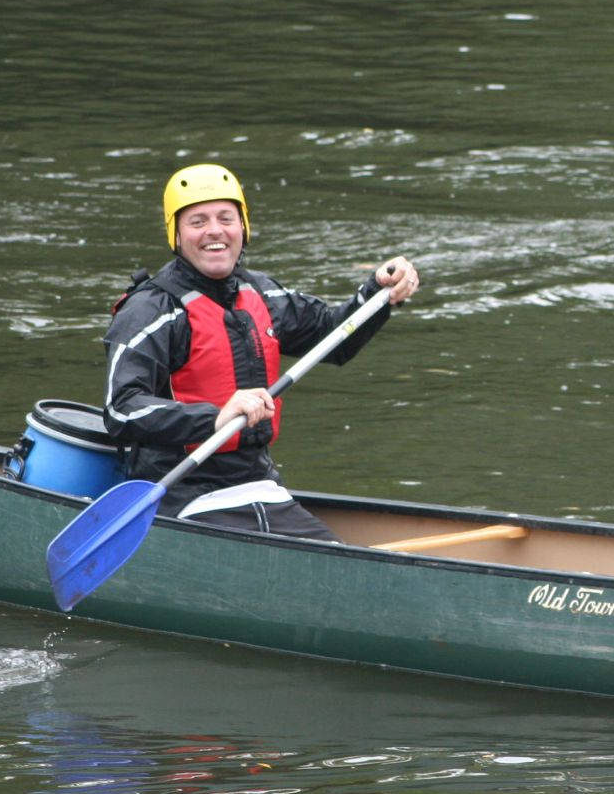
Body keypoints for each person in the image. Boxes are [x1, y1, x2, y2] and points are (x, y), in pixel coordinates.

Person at [103, 163, 420, 540]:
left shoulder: (262, 294)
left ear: (243, 227)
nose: (215, 231)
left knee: (335, 556)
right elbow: (121, 408)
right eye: (197, 221)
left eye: (226, 218)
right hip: (181, 494)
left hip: (260, 486)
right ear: (176, 233)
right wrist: (216, 418)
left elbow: (336, 340)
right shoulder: (151, 310)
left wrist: (377, 295)